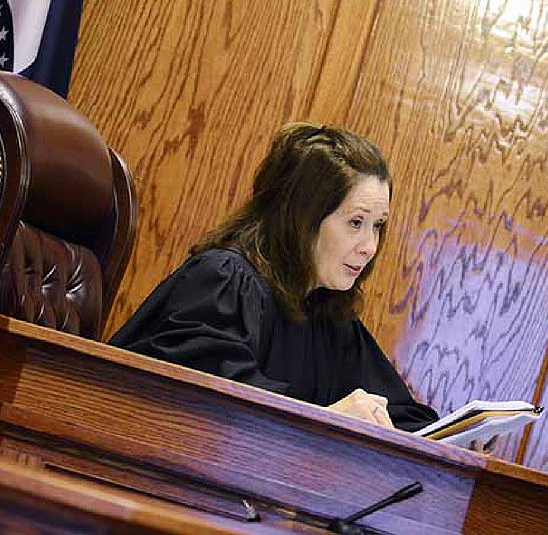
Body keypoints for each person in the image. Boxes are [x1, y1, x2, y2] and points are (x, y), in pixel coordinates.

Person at [111, 122, 438, 432]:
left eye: (378, 225)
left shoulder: (325, 312)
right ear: (302, 219)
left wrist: (457, 437)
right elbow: (209, 408)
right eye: (356, 222)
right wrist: (323, 420)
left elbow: (404, 415)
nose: (369, 247)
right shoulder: (223, 281)